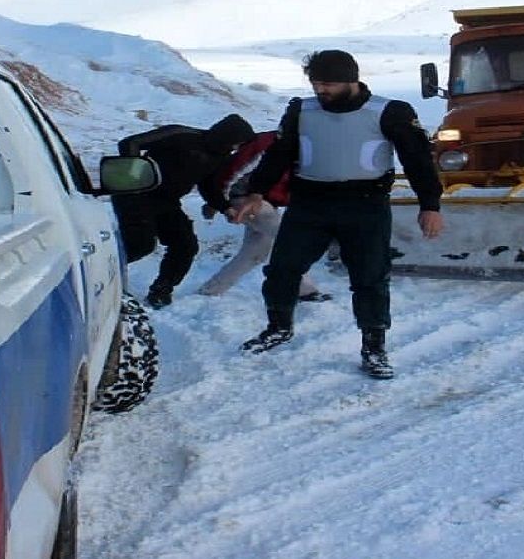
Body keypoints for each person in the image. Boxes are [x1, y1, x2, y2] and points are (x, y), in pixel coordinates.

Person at [230, 49, 444, 379]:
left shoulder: (389, 112)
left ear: (351, 80)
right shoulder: (302, 111)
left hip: (365, 205)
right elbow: (279, 153)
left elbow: (417, 161)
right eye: (316, 83)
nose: (320, 90)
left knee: (370, 278)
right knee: (283, 269)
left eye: (327, 84)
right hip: (310, 203)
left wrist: (429, 205)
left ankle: (374, 347)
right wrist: (256, 192)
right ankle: (279, 326)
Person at [112, 113, 255, 307]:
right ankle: (101, 271)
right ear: (227, 136)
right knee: (140, 244)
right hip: (136, 195)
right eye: (237, 143)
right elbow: (130, 144)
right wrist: (135, 176)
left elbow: (208, 186)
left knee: (185, 245)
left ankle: (161, 290)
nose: (236, 148)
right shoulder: (180, 134)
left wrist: (225, 208)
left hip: (167, 201)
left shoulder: (220, 157)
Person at [196, 130, 328, 301]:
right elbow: (233, 171)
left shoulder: (311, 147)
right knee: (289, 240)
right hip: (243, 199)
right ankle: (304, 290)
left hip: (266, 202)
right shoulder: (269, 144)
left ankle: (210, 291)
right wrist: (221, 204)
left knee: (254, 253)